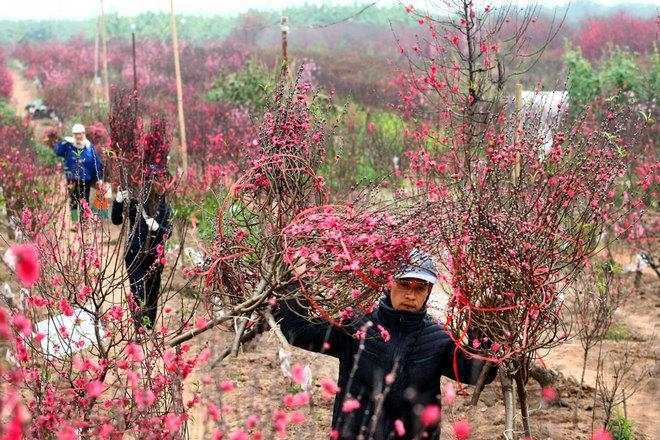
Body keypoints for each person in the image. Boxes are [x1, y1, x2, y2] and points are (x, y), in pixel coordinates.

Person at [279, 251, 497, 439]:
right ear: (388, 284)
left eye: (420, 288)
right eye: (404, 284)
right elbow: (299, 332)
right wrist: (293, 280)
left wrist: (485, 324)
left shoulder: (438, 339)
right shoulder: (356, 325)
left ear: (428, 292)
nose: (411, 295)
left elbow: (478, 374)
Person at [111, 165, 173, 333]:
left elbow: (169, 231)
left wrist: (158, 228)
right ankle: (139, 328)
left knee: (152, 292)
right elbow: (116, 220)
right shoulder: (136, 203)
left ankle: (150, 327)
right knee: (137, 291)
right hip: (134, 253)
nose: (162, 184)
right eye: (158, 180)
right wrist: (117, 201)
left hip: (155, 256)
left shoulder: (166, 207)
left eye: (164, 181)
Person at [54, 124, 104, 230]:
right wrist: (63, 141)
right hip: (72, 178)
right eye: (75, 134)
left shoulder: (88, 146)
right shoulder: (69, 146)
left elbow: (96, 163)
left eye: (80, 134)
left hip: (86, 179)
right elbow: (58, 152)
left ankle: (84, 222)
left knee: (84, 200)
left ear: (83, 134)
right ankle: (75, 222)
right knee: (73, 200)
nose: (78, 137)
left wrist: (99, 178)